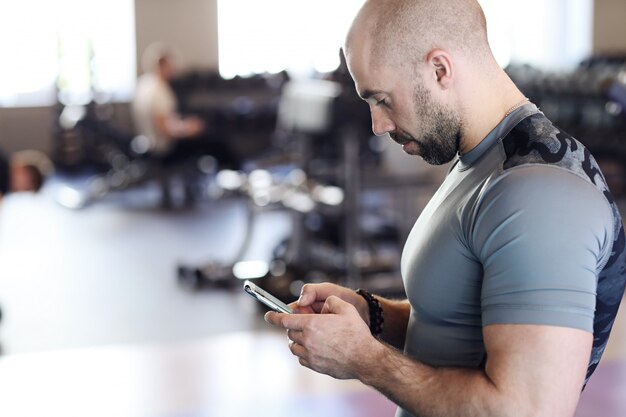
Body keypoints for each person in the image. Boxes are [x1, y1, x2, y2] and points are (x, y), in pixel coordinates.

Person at [265, 1, 626, 417]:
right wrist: (370, 315)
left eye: (381, 99)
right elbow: (456, 325)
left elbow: (524, 409)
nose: (377, 125)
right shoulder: (485, 161)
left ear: (439, 69)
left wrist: (364, 360)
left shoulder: (540, 193)